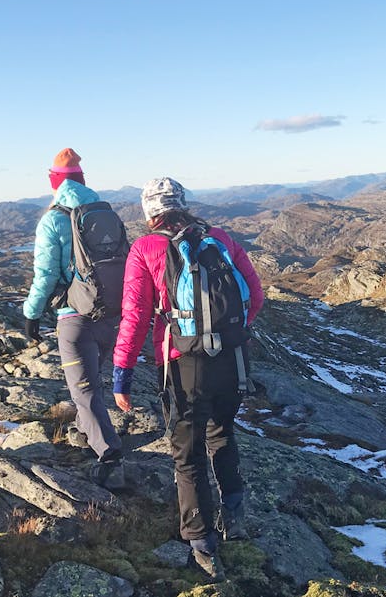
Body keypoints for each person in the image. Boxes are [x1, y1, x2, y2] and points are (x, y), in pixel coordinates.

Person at [111, 177, 265, 581]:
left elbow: (135, 316)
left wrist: (121, 373)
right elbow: (255, 293)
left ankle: (201, 541)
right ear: (183, 203)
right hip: (231, 359)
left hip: (183, 363)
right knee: (223, 433)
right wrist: (229, 334)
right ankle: (234, 512)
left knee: (187, 452)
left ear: (150, 213)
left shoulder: (145, 248)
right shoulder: (220, 238)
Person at [22, 147, 124, 486]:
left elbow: (46, 274)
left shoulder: (53, 219)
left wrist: (32, 313)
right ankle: (84, 434)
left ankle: (109, 455)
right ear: (82, 180)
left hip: (74, 316)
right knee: (93, 383)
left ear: (54, 181)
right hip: (110, 313)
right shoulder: (103, 213)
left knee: (84, 390)